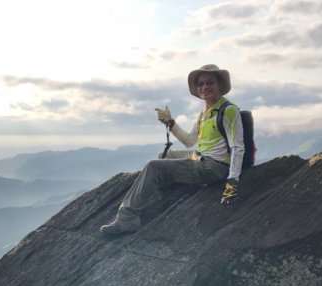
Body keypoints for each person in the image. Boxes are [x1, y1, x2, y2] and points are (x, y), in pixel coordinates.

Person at [100, 64, 245, 235]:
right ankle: (167, 182)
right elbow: (190, 141)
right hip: (200, 157)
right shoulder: (205, 112)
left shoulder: (228, 110)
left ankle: (127, 219)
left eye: (210, 83)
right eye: (201, 84)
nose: (204, 87)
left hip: (213, 167)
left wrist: (232, 181)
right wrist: (171, 123)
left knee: (154, 166)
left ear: (219, 85)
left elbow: (238, 147)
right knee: (164, 155)